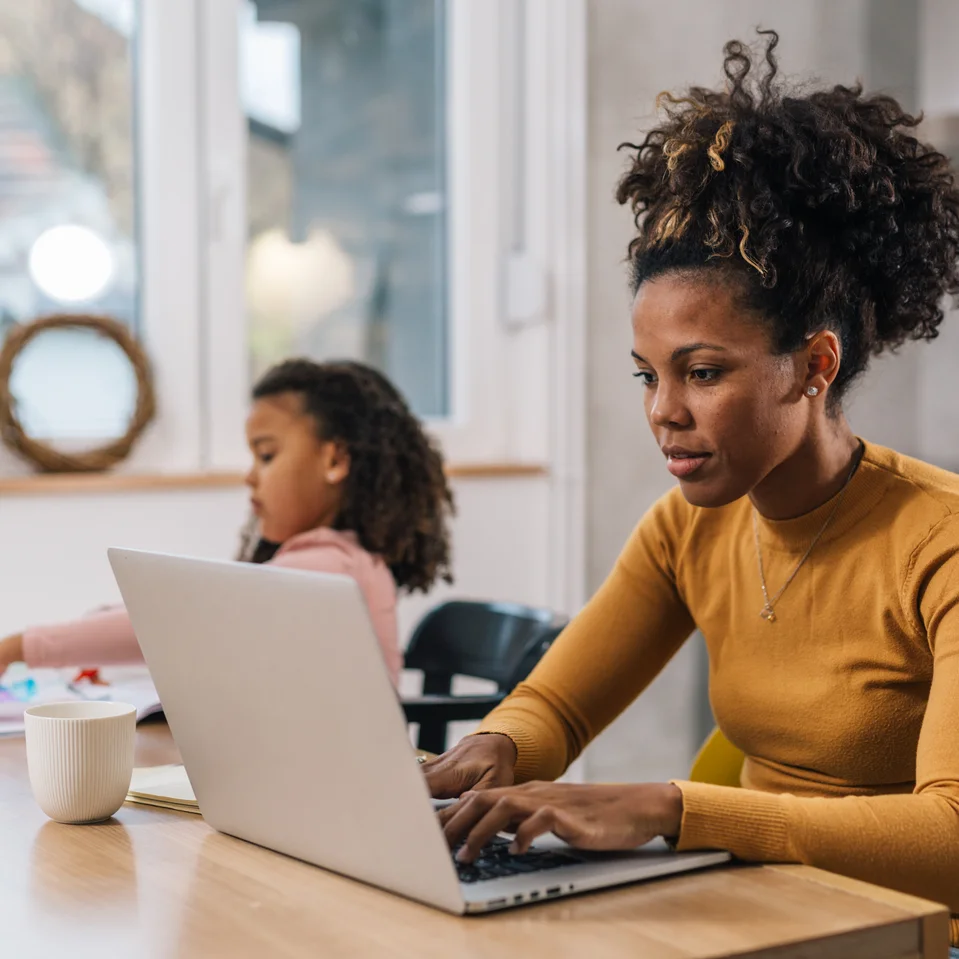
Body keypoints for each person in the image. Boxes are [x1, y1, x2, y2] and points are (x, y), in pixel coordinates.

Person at [424, 29, 959, 943]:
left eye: (701, 372)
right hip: (752, 910)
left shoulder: (937, 543)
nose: (663, 411)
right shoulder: (686, 529)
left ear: (814, 365)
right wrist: (492, 748)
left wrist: (673, 808)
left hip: (895, 933)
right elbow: (556, 703)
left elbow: (948, 838)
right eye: (648, 375)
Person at [0, 359, 454, 688]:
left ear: (334, 460)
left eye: (267, 455)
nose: (249, 476)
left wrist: (18, 647)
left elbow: (178, 620)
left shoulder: (332, 569)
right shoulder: (327, 564)